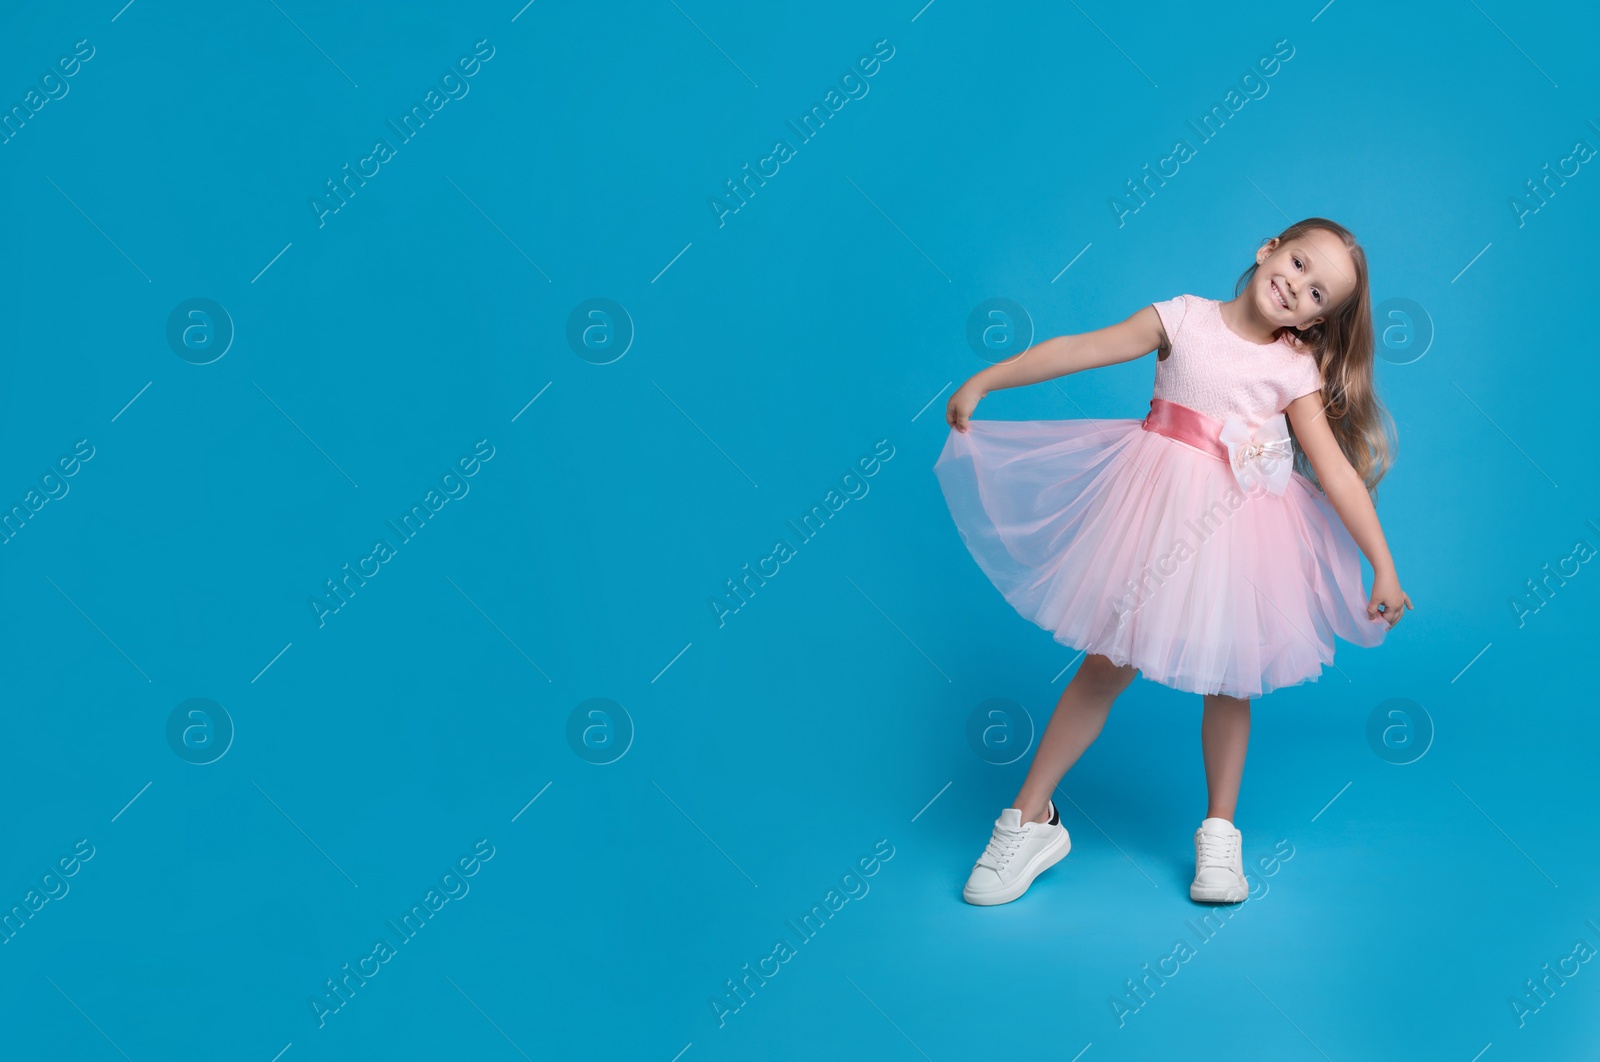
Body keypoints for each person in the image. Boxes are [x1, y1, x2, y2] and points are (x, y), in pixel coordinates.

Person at [933, 217, 1413, 907]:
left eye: (1318, 294)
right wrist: (989, 379)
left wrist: (1383, 566)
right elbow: (1084, 348)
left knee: (1231, 681)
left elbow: (1335, 472)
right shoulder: (1182, 318)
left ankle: (1219, 834)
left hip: (1239, 538)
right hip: (1152, 523)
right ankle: (1030, 817)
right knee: (1104, 667)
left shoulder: (1292, 369)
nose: (1298, 286)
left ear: (1317, 322)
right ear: (1267, 247)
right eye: (1299, 263)